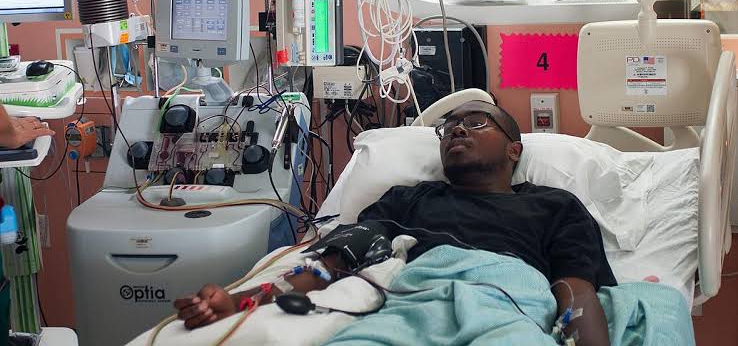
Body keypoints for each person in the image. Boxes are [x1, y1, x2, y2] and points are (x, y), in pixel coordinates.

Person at [174, 100, 615, 345]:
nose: (457, 130)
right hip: (411, 306)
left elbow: (575, 290)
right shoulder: (408, 199)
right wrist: (243, 300)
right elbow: (334, 262)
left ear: (514, 149)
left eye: (477, 122)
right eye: (448, 127)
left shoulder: (554, 206)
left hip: (507, 306)